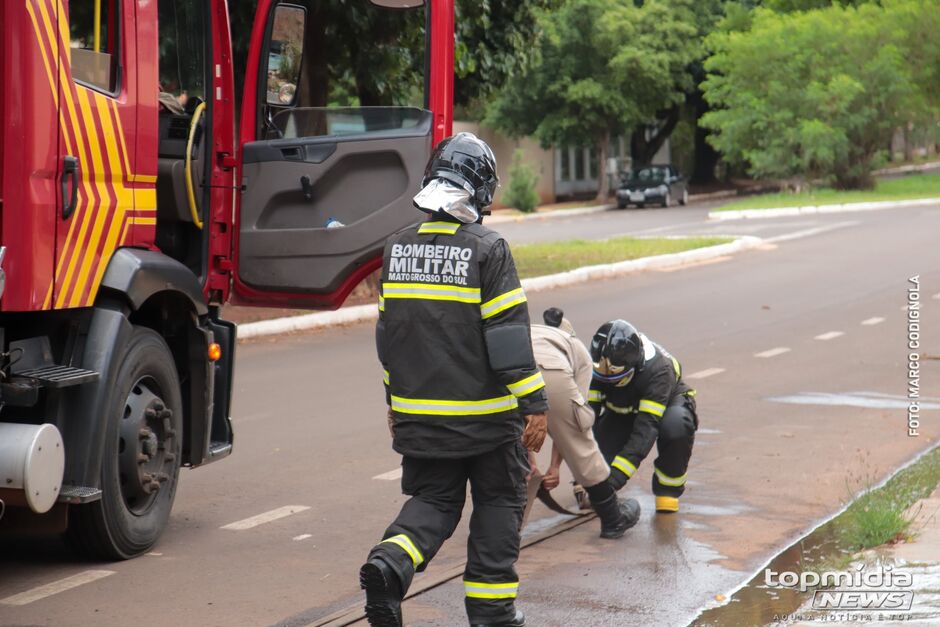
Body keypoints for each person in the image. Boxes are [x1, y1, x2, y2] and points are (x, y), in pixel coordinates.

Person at [360, 133, 549, 627]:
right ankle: (492, 612)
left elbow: (390, 338)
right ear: (481, 191)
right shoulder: (489, 250)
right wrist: (534, 404)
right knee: (499, 503)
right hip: (486, 425)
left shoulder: (396, 248)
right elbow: (508, 340)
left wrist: (393, 402)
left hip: (419, 418)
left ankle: (390, 564)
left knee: (434, 502)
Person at [530, 308, 640, 538]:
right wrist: (554, 467)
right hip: (548, 368)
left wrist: (533, 465)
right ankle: (612, 519)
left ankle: (505, 533)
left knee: (506, 447)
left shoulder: (531, 331)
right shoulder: (576, 348)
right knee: (582, 441)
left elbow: (521, 425)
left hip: (504, 367)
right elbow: (572, 425)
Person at [588, 320, 698, 513]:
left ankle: (667, 490)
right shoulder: (599, 365)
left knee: (676, 426)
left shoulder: (659, 372)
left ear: (635, 365)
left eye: (617, 379)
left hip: (664, 407)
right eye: (605, 380)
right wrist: (584, 473)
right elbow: (587, 416)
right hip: (621, 412)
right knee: (595, 474)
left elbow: (645, 430)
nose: (610, 383)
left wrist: (613, 481)